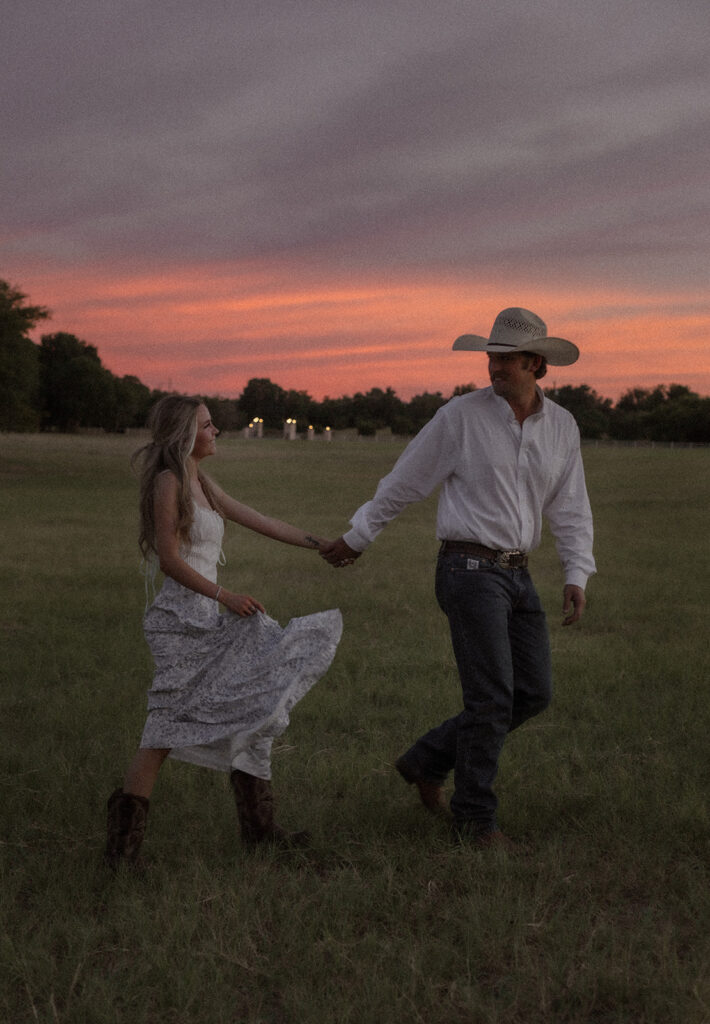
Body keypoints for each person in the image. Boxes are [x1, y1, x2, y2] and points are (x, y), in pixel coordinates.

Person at [321, 307, 595, 847]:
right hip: (467, 569)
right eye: (491, 357)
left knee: (533, 692)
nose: (495, 367)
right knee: (492, 697)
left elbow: (571, 506)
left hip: (518, 574)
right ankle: (474, 820)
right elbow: (406, 481)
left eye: (507, 359)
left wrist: (577, 571)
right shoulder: (460, 417)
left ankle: (427, 760)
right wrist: (357, 537)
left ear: (536, 363)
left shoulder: (562, 426)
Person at [105, 394, 342, 870]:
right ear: (185, 434)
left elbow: (262, 520)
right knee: (164, 729)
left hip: (213, 615)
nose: (217, 432)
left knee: (258, 700)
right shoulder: (168, 482)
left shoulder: (203, 484)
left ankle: (261, 830)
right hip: (182, 621)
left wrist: (326, 545)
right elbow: (170, 560)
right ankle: (121, 854)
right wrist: (225, 596)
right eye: (209, 425)